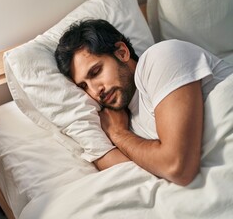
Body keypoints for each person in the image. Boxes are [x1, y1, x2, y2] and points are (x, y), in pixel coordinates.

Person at [54, 19, 233, 186]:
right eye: (84, 86)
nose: (95, 91)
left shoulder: (160, 57)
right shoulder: (126, 123)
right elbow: (136, 182)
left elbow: (178, 167)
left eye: (96, 72)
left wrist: (118, 134)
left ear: (122, 52)